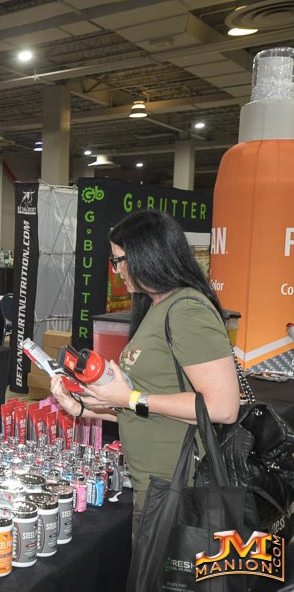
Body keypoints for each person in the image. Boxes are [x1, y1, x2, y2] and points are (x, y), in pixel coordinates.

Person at [48, 209, 239, 537]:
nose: (116, 270)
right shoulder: (156, 305)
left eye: (119, 260)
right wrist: (82, 407)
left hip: (175, 485)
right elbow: (147, 404)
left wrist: (131, 397)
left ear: (147, 254)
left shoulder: (186, 309)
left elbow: (223, 407)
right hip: (154, 483)